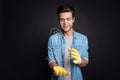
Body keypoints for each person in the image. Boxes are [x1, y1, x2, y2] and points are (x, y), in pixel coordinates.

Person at [48, 3, 89, 80]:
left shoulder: (83, 39)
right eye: (62, 19)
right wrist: (55, 67)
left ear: (73, 19)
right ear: (59, 20)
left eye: (68, 19)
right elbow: (51, 61)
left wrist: (80, 61)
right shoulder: (52, 39)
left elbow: (85, 62)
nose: (65, 23)